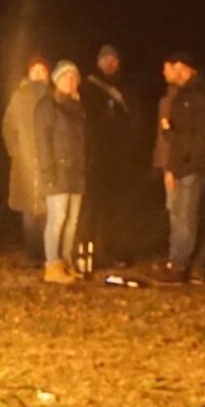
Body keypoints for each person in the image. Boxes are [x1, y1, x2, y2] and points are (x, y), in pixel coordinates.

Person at [153, 51, 205, 281]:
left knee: (187, 218)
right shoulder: (184, 95)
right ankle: (178, 262)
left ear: (179, 66)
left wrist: (172, 135)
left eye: (167, 68)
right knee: (180, 216)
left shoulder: (201, 96)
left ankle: (180, 265)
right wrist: (171, 165)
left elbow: (203, 136)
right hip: (182, 165)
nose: (164, 73)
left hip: (193, 166)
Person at [83, 43, 145, 264]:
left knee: (119, 210)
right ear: (98, 62)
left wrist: (132, 148)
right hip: (97, 159)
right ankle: (94, 253)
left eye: (113, 59)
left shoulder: (127, 88)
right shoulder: (88, 88)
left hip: (121, 160)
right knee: (95, 209)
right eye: (105, 59)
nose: (109, 63)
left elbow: (137, 120)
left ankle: (117, 252)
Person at [34, 59, 89, 285]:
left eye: (74, 77)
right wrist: (47, 171)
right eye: (66, 76)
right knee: (57, 218)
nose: (71, 80)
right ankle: (52, 264)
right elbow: (43, 140)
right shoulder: (47, 105)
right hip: (58, 170)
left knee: (72, 220)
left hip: (77, 172)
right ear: (57, 80)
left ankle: (66, 261)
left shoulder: (78, 107)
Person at [1, 54, 53, 267]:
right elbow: (8, 127)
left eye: (42, 70)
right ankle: (33, 255)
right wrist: (15, 151)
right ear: (29, 74)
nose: (39, 74)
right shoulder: (19, 97)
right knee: (29, 213)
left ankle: (50, 254)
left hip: (50, 162)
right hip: (25, 164)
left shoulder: (54, 96)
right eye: (35, 71)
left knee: (49, 211)